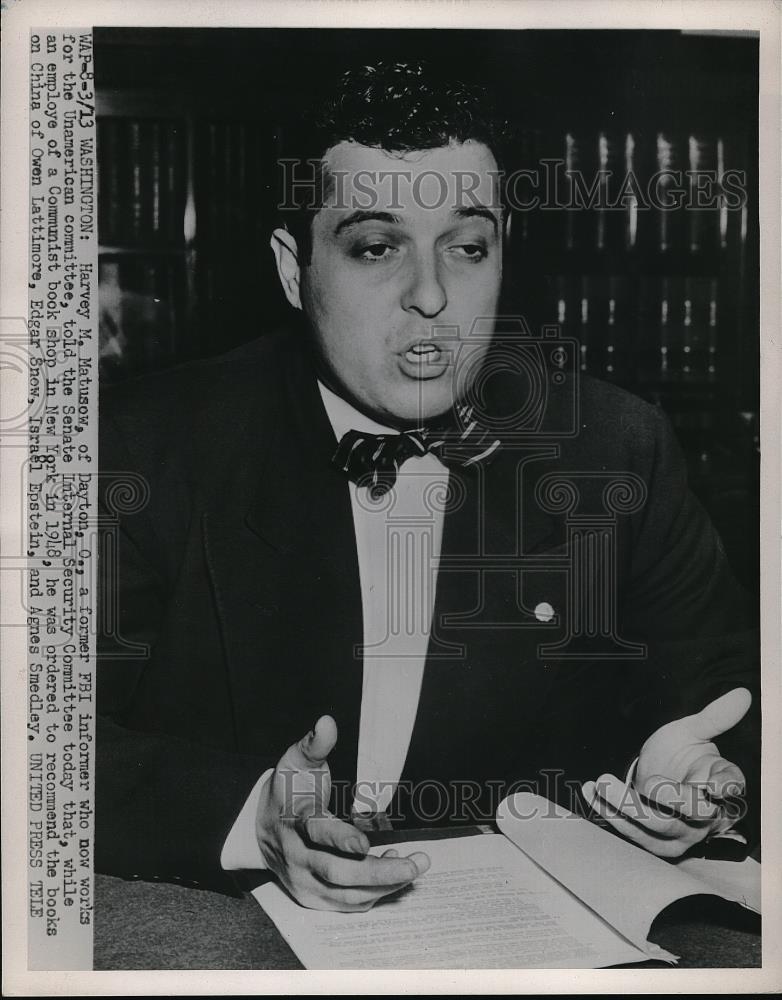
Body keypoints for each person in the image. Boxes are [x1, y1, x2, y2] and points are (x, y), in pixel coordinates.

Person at [97, 61, 759, 912]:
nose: (433, 295)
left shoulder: (614, 449)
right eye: (376, 247)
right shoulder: (145, 445)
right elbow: (35, 743)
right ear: (294, 270)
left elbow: (727, 689)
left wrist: (693, 774)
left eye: (468, 246)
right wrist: (250, 815)